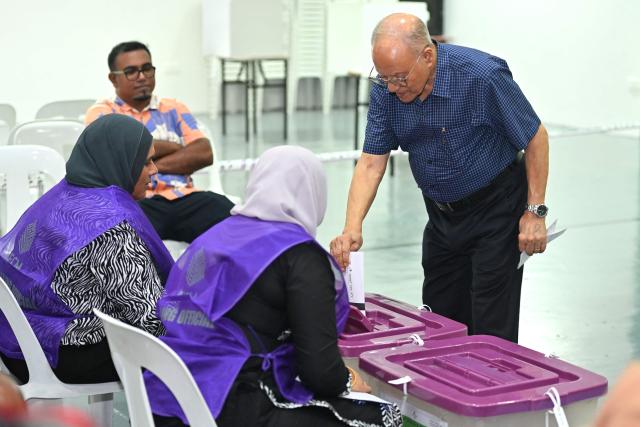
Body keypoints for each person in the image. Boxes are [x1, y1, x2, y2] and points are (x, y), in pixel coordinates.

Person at [330, 13, 549, 343]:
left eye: (400, 78)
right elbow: (372, 162)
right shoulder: (386, 89)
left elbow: (535, 138)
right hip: (442, 215)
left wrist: (534, 212)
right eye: (384, 77)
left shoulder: (481, 76)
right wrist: (352, 226)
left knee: (491, 320)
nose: (391, 87)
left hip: (496, 209)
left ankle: (492, 388)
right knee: (439, 318)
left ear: (428, 56)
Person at [146, 146, 402, 427]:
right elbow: (320, 373)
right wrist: (347, 379)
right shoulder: (301, 257)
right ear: (314, 192)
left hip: (169, 396)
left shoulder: (218, 234)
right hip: (231, 404)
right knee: (385, 417)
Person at [0, 114, 174, 384]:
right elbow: (154, 321)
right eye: (146, 161)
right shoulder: (111, 228)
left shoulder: (63, 194)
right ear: (120, 161)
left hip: (16, 342)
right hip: (61, 354)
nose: (154, 171)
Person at [85, 41, 234, 243]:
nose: (142, 77)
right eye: (131, 71)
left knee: (227, 214)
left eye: (147, 69)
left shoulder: (174, 108)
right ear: (114, 79)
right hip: (136, 202)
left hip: (184, 198)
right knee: (119, 235)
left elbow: (203, 153)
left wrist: (143, 164)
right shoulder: (102, 113)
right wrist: (175, 148)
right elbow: (116, 163)